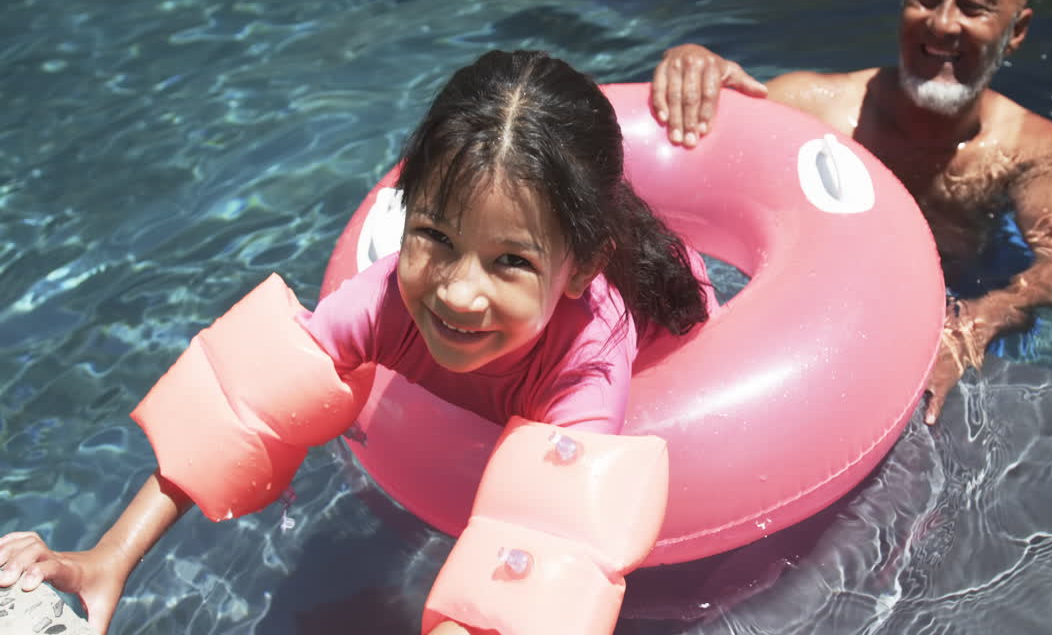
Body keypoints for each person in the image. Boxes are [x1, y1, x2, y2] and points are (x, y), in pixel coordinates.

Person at [0, 50, 714, 633]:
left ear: (580, 268)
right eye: (435, 237)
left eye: (510, 261)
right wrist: (107, 559)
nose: (459, 293)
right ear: (406, 215)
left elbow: (543, 550)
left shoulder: (587, 358)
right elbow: (240, 415)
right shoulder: (382, 302)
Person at [650, 0, 1052, 426]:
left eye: (973, 6)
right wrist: (693, 65)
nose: (942, 23)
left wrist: (981, 319)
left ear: (1016, 31)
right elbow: (703, 152)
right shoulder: (813, 108)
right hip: (815, 311)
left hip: (954, 300)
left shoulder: (1028, 148)